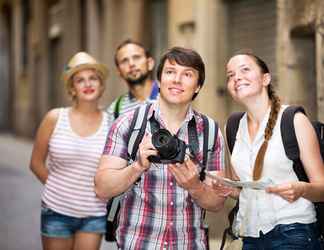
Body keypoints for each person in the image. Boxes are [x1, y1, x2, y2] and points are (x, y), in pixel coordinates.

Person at [95, 47, 229, 249]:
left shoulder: (209, 132)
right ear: (158, 81)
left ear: (198, 86)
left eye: (188, 74)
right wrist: (137, 167)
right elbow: (102, 188)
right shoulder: (128, 124)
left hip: (190, 244)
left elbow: (217, 203)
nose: (177, 80)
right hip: (138, 244)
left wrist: (195, 187)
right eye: (170, 72)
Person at [223, 51, 324, 249]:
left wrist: (301, 189)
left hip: (294, 232)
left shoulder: (294, 120)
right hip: (249, 236)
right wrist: (226, 188)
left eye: (245, 70)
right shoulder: (233, 126)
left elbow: (322, 188)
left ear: (265, 78)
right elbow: (243, 188)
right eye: (230, 75)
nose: (237, 78)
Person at [30, 51, 109, 250]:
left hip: (94, 213)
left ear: (101, 85)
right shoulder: (54, 118)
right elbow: (36, 163)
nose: (87, 84)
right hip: (56, 209)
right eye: (80, 80)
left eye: (93, 78)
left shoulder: (112, 123)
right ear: (72, 88)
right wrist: (59, 189)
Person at [106, 39, 159, 125]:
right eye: (124, 61)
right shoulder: (115, 110)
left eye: (136, 57)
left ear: (150, 63)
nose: (131, 64)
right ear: (119, 71)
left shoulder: (171, 94)